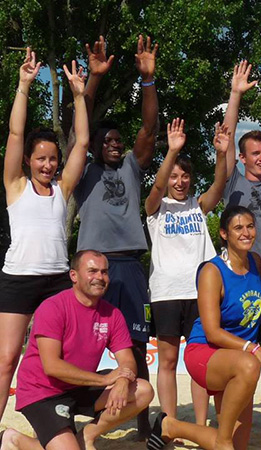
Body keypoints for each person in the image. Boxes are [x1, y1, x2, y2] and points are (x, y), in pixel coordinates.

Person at [73, 35, 158, 438]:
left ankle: (141, 423)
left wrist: (148, 81)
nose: (115, 144)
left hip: (129, 267)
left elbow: (149, 127)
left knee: (136, 347)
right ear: (93, 147)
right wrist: (93, 79)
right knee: (83, 348)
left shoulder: (130, 166)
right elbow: (81, 123)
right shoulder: (82, 172)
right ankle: (76, 415)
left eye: (117, 141)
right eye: (106, 140)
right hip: (94, 267)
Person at [0, 50, 88, 423]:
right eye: (41, 159)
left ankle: (58, 420)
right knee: (6, 359)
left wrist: (80, 95)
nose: (49, 165)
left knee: (61, 360)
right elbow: (17, 132)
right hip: (18, 279)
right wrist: (23, 86)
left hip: (56, 281)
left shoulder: (63, 189)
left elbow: (82, 142)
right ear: (28, 162)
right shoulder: (15, 185)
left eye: (53, 158)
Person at [147, 206, 261, 450]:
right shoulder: (212, 271)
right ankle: (218, 437)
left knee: (234, 445)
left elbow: (254, 300)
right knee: (249, 368)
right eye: (238, 228)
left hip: (238, 358)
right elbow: (212, 331)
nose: (246, 233)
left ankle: (172, 427)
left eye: (250, 226)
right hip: (206, 351)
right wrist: (255, 349)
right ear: (224, 234)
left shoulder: (255, 262)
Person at [1, 250, 154, 450]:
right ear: (74, 275)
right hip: (42, 391)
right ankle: (14, 439)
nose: (99, 277)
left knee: (143, 390)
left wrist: (123, 381)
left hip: (79, 386)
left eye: (104, 272)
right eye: (92, 271)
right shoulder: (53, 307)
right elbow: (52, 366)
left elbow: (127, 360)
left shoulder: (113, 314)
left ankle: (86, 437)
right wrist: (105, 380)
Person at [145, 119, 229, 426]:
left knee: (199, 361)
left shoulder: (198, 206)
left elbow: (219, 186)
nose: (179, 182)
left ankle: (200, 424)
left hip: (199, 294)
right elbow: (155, 189)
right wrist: (172, 151)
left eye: (185, 176)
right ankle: (169, 423)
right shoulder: (156, 207)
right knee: (167, 361)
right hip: (167, 293)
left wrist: (221, 154)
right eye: (174, 177)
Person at [221, 60, 261, 431]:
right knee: (240, 353)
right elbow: (226, 137)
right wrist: (236, 94)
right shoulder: (232, 182)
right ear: (243, 158)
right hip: (242, 274)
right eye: (254, 153)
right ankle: (236, 422)